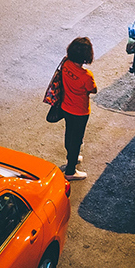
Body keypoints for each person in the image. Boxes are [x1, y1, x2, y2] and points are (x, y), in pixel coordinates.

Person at [59, 36, 96, 179]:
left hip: (65, 107)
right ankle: (70, 170)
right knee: (77, 139)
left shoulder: (66, 64)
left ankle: (71, 157)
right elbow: (93, 89)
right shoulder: (86, 76)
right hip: (80, 111)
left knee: (69, 135)